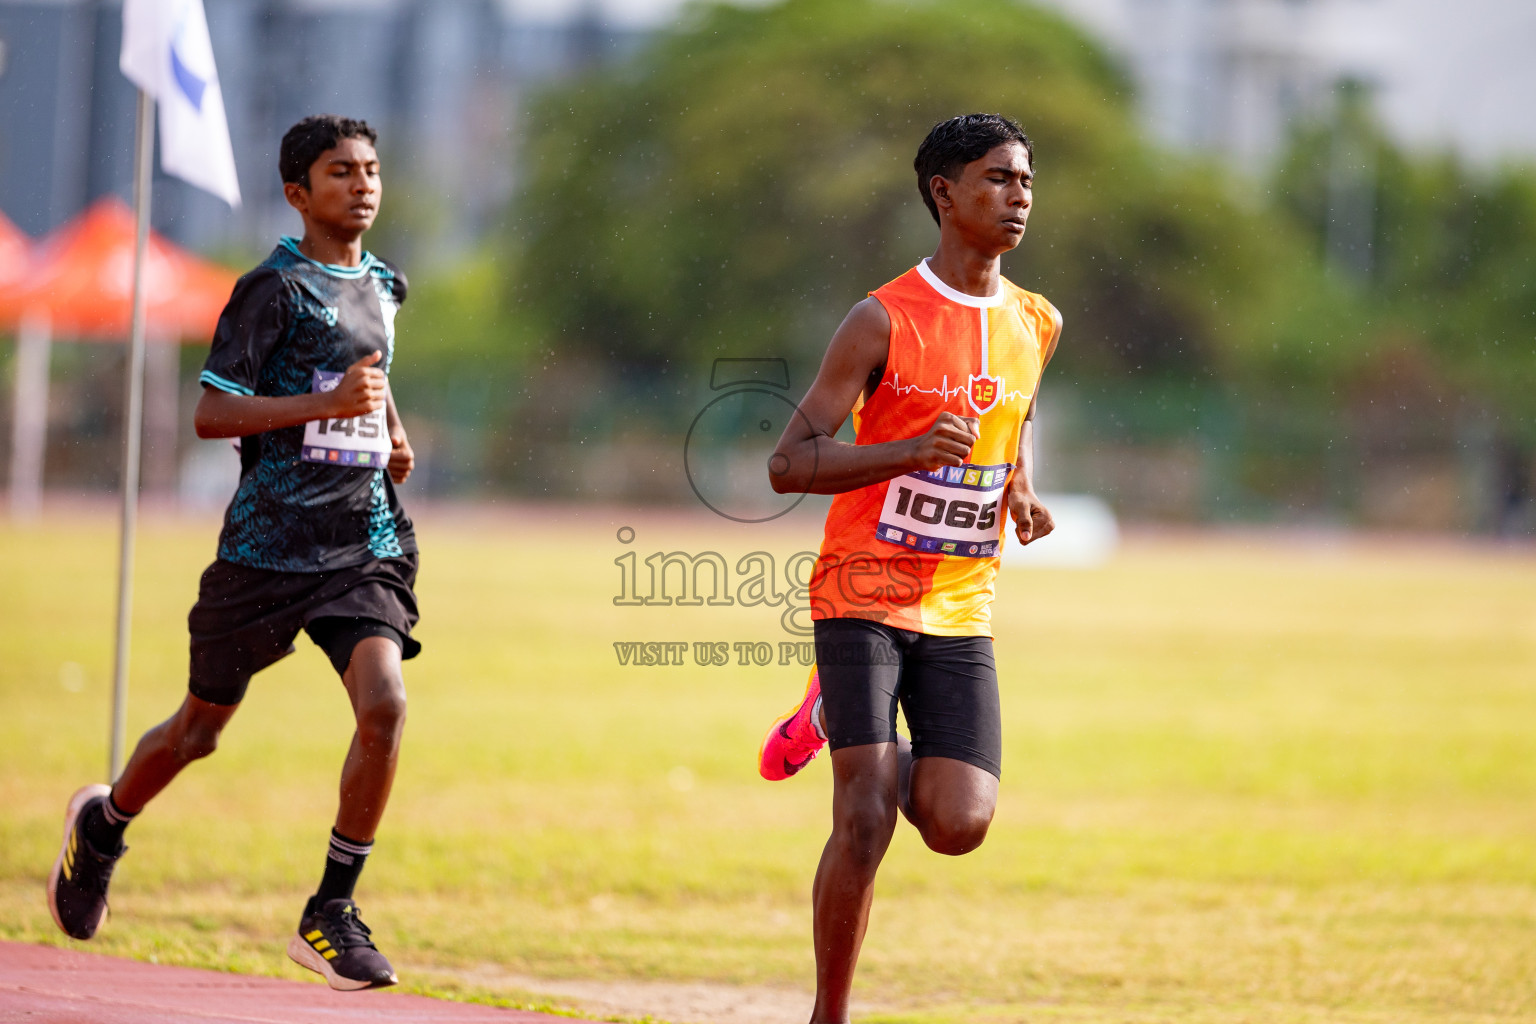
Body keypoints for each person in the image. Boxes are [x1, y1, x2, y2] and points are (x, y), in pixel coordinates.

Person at [47, 115, 420, 992]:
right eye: (341, 172)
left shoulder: (386, 284)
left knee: (387, 705)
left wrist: (391, 432)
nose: (362, 184)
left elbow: (374, 370)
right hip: (265, 548)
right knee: (199, 731)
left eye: (370, 169)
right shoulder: (270, 291)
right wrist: (320, 401)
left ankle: (330, 909)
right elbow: (215, 414)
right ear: (299, 193)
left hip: (360, 541)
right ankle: (105, 824)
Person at [757, 113, 1061, 1023]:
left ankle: (845, 726)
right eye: (999, 180)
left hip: (961, 604)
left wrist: (1021, 487)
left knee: (959, 824)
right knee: (864, 820)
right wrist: (906, 453)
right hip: (861, 590)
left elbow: (1014, 415)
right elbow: (788, 463)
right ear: (944, 194)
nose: (1019, 197)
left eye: (1027, 182)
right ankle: (829, 1016)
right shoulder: (880, 317)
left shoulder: (1037, 320)